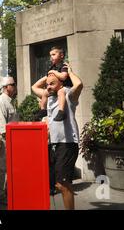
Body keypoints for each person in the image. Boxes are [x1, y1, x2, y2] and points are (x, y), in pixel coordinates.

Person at [32, 63, 83, 210]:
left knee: (62, 184)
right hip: (54, 144)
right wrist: (49, 75)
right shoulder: (48, 97)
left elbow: (79, 84)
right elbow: (34, 87)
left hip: (67, 143)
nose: (48, 87)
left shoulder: (67, 94)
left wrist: (68, 73)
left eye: (52, 84)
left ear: (61, 83)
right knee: (58, 183)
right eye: (47, 85)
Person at [0, 77, 19, 206]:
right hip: (3, 140)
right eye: (13, 84)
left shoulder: (10, 101)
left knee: (10, 169)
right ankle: (0, 195)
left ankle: (7, 191)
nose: (15, 86)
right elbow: (3, 127)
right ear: (7, 87)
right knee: (1, 170)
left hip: (11, 139)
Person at [34, 46, 72, 121]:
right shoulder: (52, 68)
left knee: (61, 92)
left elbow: (63, 77)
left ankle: (61, 111)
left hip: (65, 88)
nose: (51, 57)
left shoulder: (64, 66)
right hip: (56, 88)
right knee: (45, 92)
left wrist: (53, 72)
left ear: (61, 56)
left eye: (53, 55)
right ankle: (43, 110)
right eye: (50, 55)